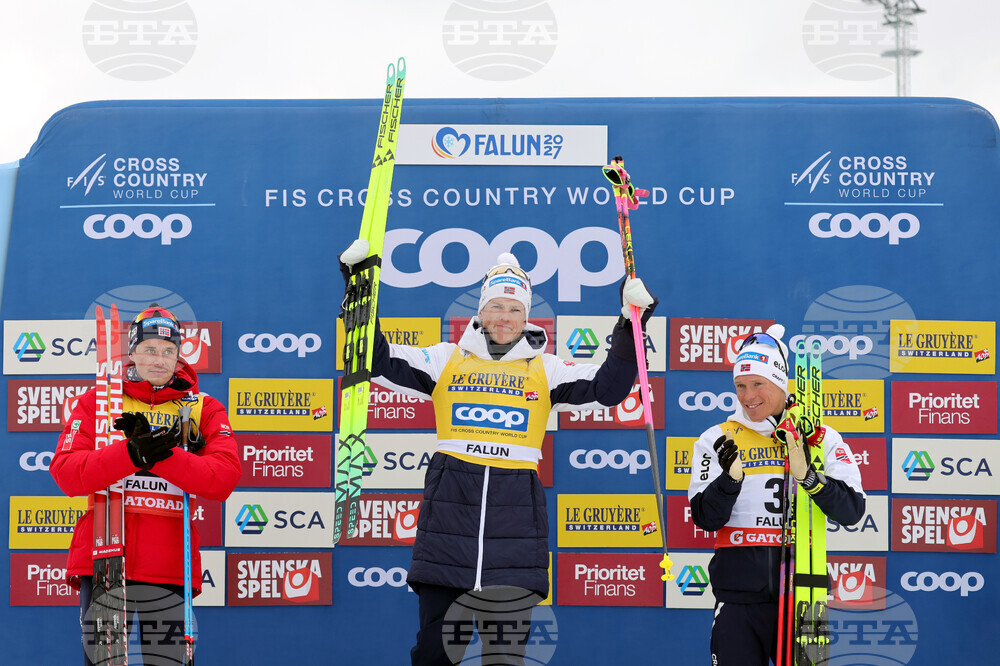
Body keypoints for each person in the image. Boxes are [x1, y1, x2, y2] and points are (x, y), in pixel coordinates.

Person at [340, 242, 657, 665]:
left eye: (513, 309)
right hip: (448, 527)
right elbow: (376, 358)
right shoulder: (445, 359)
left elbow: (608, 388)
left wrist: (629, 325)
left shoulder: (547, 369)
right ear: (480, 312)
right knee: (435, 653)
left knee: (504, 656)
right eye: (496, 307)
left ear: (527, 317)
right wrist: (361, 293)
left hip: (515, 531)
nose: (504, 318)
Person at [50, 305, 241, 665]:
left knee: (169, 662)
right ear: (133, 352)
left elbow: (223, 478)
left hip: (169, 561)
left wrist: (161, 455)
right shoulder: (100, 401)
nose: (160, 359)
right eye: (150, 349)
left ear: (179, 355)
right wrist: (131, 453)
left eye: (169, 351)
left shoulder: (202, 408)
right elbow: (66, 472)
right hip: (106, 556)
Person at [687, 324, 866, 666]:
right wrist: (730, 480)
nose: (747, 395)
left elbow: (853, 510)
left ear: (781, 383)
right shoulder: (717, 438)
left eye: (758, 384)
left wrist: (808, 476)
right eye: (740, 385)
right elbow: (706, 519)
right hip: (739, 598)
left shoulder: (821, 438)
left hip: (805, 595)